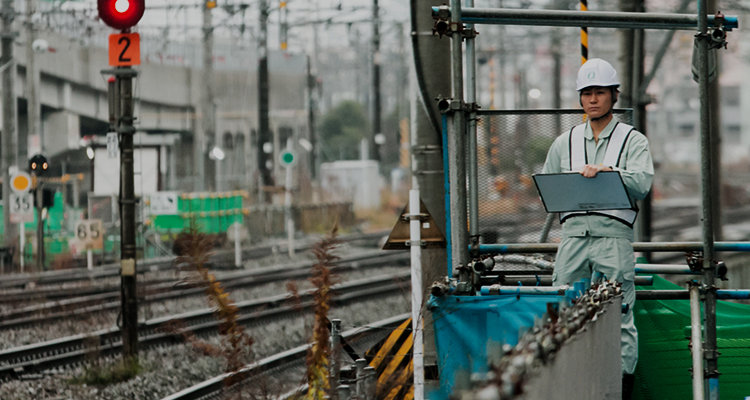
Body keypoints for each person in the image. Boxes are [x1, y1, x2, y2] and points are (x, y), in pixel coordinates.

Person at [541, 58, 654, 399]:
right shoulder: (565, 142)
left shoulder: (632, 140)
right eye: (586, 93)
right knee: (562, 310)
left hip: (613, 237)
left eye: (600, 92)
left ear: (614, 96)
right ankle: (566, 384)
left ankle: (619, 388)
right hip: (573, 236)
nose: (593, 99)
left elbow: (643, 183)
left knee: (620, 317)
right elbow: (548, 183)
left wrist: (610, 171)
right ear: (580, 98)